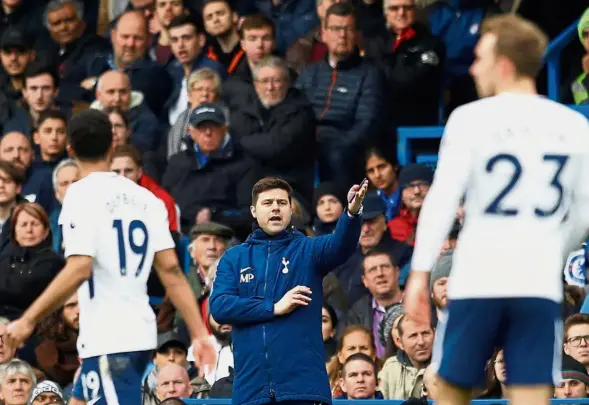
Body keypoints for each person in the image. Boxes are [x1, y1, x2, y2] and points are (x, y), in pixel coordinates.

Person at [404, 14, 589, 405]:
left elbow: (440, 203)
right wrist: (550, 250)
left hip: (479, 277)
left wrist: (419, 276)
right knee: (533, 396)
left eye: (480, 57)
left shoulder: (471, 118)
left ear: (503, 64)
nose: (472, 67)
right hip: (537, 282)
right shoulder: (575, 126)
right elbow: (584, 213)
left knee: (448, 389)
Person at [2, 110, 216, 404]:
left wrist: (28, 319)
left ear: (70, 149)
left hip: (111, 338)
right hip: (134, 332)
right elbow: (172, 272)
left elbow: (79, 267)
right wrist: (200, 333)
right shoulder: (147, 199)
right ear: (112, 146)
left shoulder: (80, 194)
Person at [209, 176, 367, 405]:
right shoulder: (234, 258)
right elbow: (220, 307)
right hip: (251, 392)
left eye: (282, 203)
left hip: (303, 390)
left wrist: (352, 214)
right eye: (268, 203)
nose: (275, 208)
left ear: (290, 210)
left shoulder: (308, 249)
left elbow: (340, 245)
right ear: (254, 211)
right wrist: (273, 307)